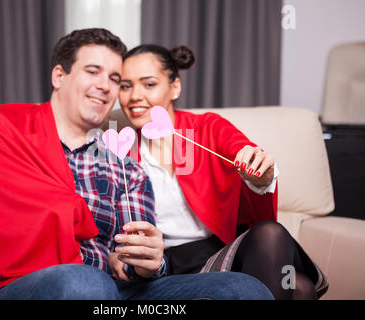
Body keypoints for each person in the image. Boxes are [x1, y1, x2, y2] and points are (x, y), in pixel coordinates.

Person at [0, 28, 273, 300]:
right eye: (92, 71)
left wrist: (148, 262)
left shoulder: (126, 167)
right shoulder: (1, 128)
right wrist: (73, 231)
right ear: (59, 76)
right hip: (30, 283)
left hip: (121, 293)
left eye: (114, 78)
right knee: (83, 281)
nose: (106, 86)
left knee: (241, 288)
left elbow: (137, 255)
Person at [115, 44, 329, 300]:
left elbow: (242, 150)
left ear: (175, 88)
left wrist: (260, 172)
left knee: (270, 235)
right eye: (126, 86)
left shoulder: (205, 128)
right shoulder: (119, 147)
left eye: (149, 84)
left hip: (222, 253)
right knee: (300, 288)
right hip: (167, 265)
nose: (135, 96)